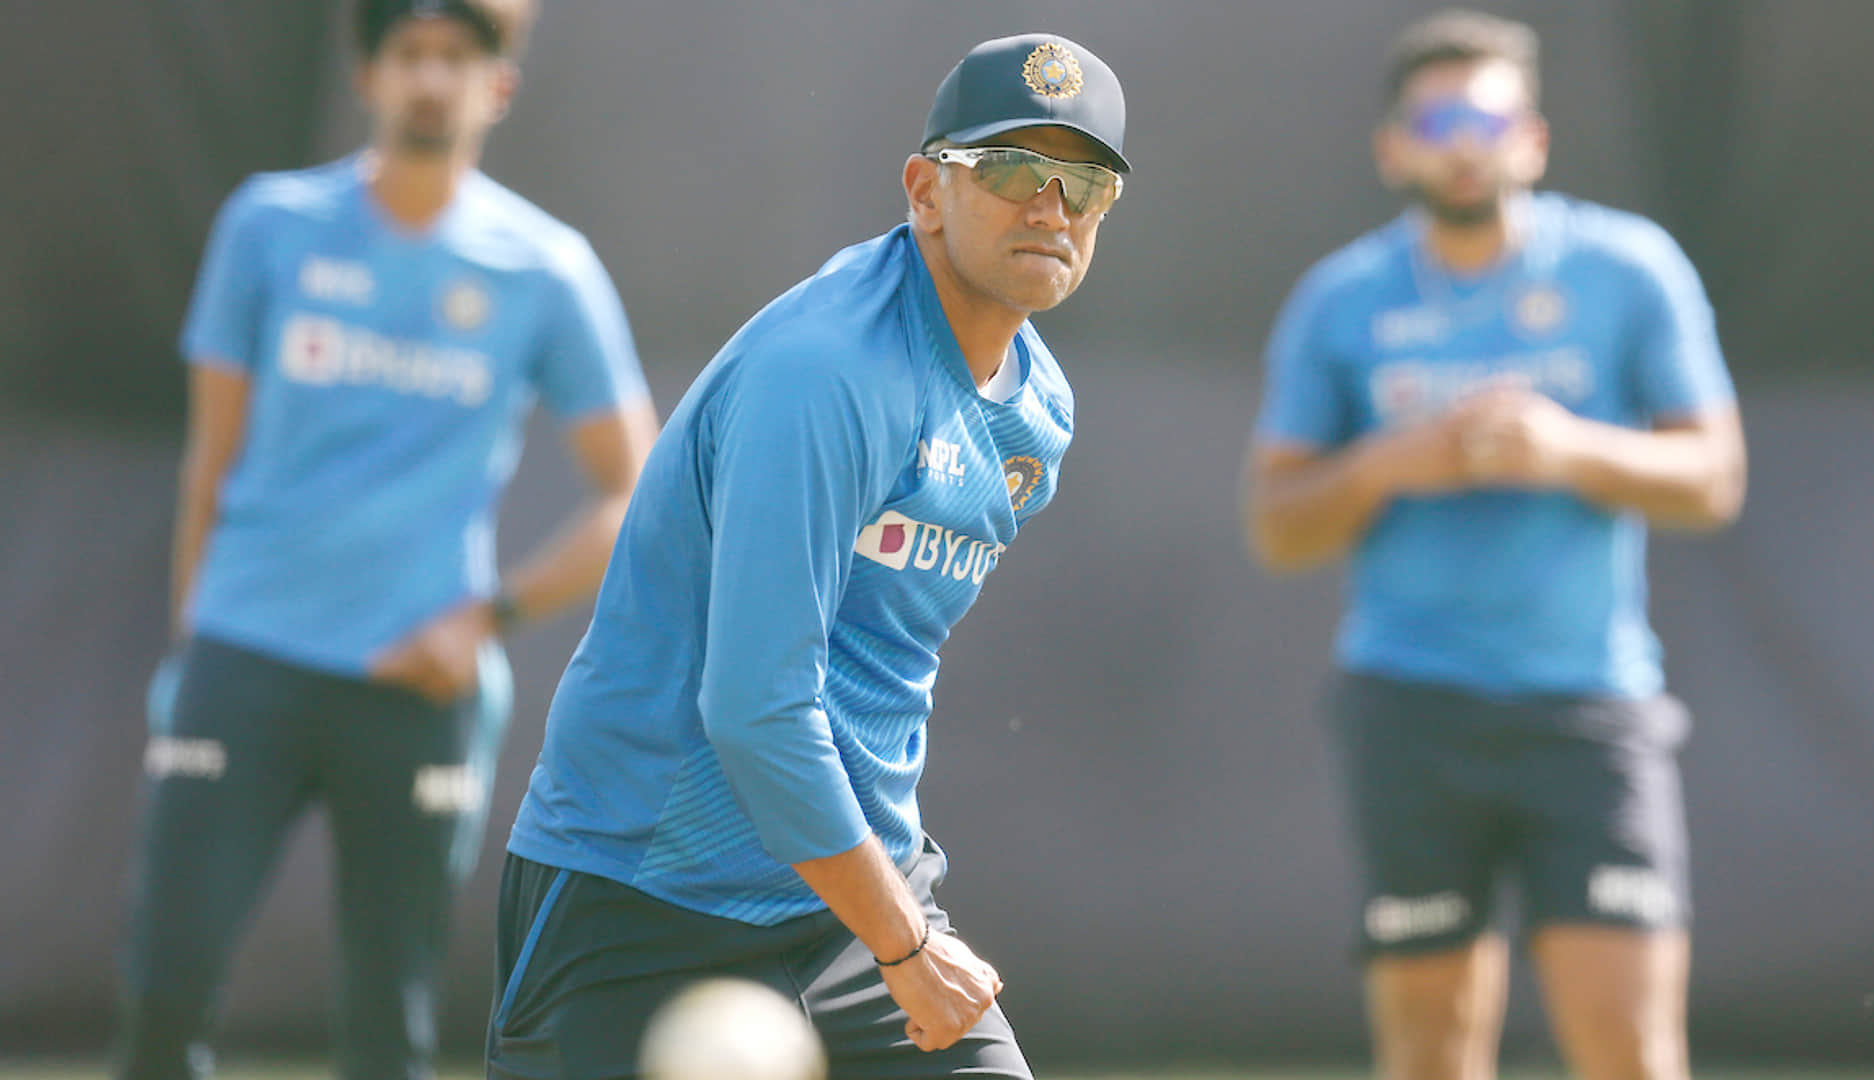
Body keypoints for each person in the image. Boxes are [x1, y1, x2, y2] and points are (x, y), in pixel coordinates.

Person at [486, 33, 1129, 1080]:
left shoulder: (1037, 415)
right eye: (1011, 171)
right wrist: (907, 946)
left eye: (1084, 183)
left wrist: (892, 912)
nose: (1050, 208)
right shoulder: (827, 374)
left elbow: (878, 655)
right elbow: (754, 705)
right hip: (649, 888)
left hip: (844, 897)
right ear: (925, 190)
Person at [117, 2, 658, 1077]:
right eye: (408, 54)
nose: (431, 79)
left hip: (415, 691)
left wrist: (488, 619)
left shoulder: (544, 269)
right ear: (366, 76)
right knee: (165, 993)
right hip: (244, 658)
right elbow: (207, 465)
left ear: (497, 87)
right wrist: (196, 647)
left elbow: (635, 493)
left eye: (457, 58)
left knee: (389, 1023)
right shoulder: (267, 227)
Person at [1240, 10, 1745, 1080]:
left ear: (1535, 139)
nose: (1465, 141)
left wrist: (1566, 449)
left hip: (1589, 709)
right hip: (1411, 709)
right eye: (1437, 118)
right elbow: (1277, 526)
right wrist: (1389, 463)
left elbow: (1713, 479)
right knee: (1428, 1054)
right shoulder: (1343, 300)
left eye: (1489, 116)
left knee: (1634, 1054)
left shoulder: (1628, 269)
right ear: (1393, 146)